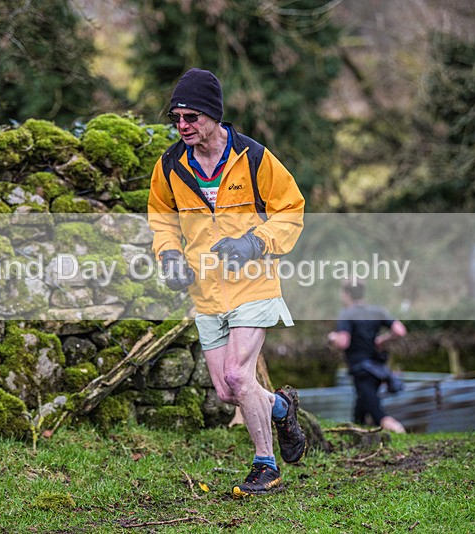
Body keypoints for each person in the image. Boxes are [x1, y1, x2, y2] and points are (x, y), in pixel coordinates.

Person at [147, 68, 308, 497]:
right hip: (206, 290)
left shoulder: (254, 157)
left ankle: (265, 466)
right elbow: (162, 221)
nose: (182, 126)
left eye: (191, 117)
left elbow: (291, 209)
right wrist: (169, 256)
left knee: (239, 374)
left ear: (214, 116)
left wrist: (256, 243)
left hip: (254, 283)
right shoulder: (169, 166)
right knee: (225, 391)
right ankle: (280, 406)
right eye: (176, 118)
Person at [328, 278, 407, 433]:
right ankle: (358, 436)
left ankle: (400, 432)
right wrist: (382, 340)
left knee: (378, 414)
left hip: (361, 369)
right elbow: (400, 330)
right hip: (377, 369)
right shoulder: (377, 311)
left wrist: (332, 337)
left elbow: (343, 342)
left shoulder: (347, 314)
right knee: (360, 409)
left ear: (346, 294)